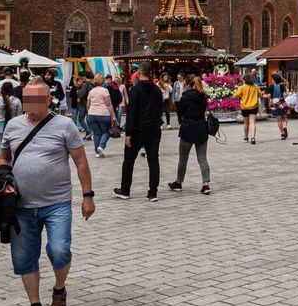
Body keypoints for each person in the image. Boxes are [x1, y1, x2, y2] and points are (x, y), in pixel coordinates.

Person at [0, 82, 95, 306]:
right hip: (21, 204)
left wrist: (88, 196)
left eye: (37, 99)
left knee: (60, 250)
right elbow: (4, 156)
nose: (32, 104)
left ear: (49, 99)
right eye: (28, 98)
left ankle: (59, 290)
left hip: (57, 203)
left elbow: (81, 162)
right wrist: (3, 177)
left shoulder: (65, 125)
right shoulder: (13, 125)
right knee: (24, 257)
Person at [116, 61, 164, 201]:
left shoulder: (136, 89)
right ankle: (153, 192)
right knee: (153, 160)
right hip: (154, 129)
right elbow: (160, 109)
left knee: (129, 160)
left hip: (138, 129)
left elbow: (132, 112)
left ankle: (125, 189)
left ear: (139, 72)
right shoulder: (157, 90)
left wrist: (128, 133)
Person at [167, 76, 212, 194]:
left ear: (187, 84)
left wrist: (182, 121)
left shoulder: (185, 97)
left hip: (188, 129)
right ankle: (206, 184)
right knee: (202, 158)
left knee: (183, 159)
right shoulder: (203, 96)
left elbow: (179, 112)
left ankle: (178, 182)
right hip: (201, 128)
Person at [85, 74, 114, 158]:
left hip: (92, 114)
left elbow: (87, 105)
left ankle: (97, 152)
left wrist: (90, 112)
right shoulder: (105, 91)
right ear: (103, 81)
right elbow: (108, 104)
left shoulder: (91, 91)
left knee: (97, 133)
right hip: (103, 114)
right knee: (106, 131)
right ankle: (101, 146)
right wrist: (113, 115)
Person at [0, 82, 22, 152]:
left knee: (0, 141)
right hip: (13, 124)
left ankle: (1, 159)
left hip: (0, 123)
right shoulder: (17, 101)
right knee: (12, 142)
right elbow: (19, 115)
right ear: (12, 90)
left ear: (2, 90)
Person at [235, 73, 261, 144]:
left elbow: (235, 95)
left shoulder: (242, 87)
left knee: (246, 123)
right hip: (254, 107)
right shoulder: (255, 87)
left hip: (245, 107)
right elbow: (260, 94)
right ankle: (253, 137)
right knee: (253, 122)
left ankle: (246, 138)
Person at [265, 72, 290, 140]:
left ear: (274, 80)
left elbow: (268, 96)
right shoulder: (282, 86)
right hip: (282, 101)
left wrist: (262, 96)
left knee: (279, 120)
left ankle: (282, 133)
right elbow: (286, 94)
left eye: (272, 79)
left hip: (275, 102)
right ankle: (285, 127)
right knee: (284, 117)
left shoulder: (271, 86)